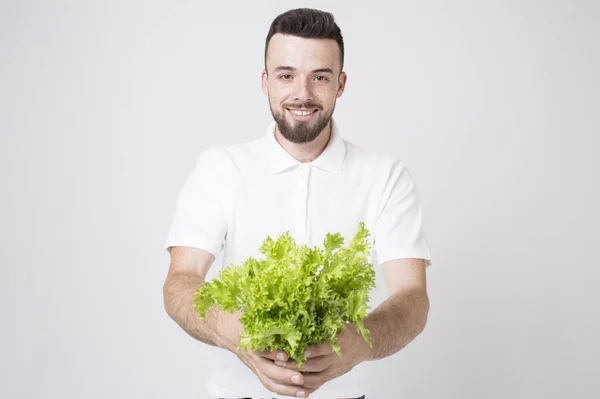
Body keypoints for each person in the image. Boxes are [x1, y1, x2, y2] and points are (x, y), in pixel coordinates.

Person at [163, 8, 432, 399]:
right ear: (265, 81)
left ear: (340, 84)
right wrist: (235, 332)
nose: (301, 94)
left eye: (319, 77)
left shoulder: (385, 177)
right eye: (286, 75)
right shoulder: (221, 168)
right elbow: (180, 281)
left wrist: (357, 343)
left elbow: (413, 297)